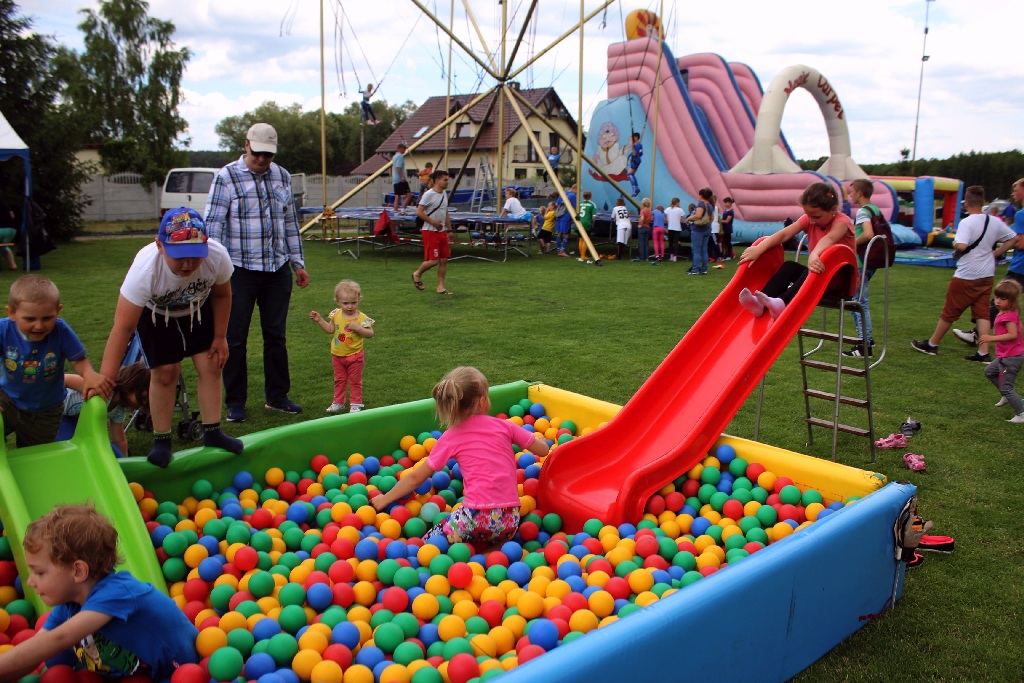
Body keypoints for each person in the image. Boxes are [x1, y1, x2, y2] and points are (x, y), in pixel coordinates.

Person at [97, 208, 243, 467]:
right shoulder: (145, 271)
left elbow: (222, 295)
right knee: (165, 372)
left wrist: (220, 336)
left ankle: (213, 433)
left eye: (194, 257)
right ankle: (161, 442)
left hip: (197, 310)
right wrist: (106, 379)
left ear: (206, 246)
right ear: (160, 246)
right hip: (155, 315)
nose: (188, 265)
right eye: (180, 257)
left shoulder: (217, 257)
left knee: (211, 364)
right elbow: (122, 328)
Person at [0, 504, 198, 682]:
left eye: (40, 572)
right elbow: (39, 646)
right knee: (55, 663)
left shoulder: (118, 591)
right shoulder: (70, 604)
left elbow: (59, 638)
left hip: (175, 672)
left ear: (78, 571)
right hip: (136, 673)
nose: (30, 581)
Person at [370, 367, 549, 548]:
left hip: (474, 517)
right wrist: (540, 440)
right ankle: (491, 553)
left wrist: (385, 498)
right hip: (510, 520)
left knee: (428, 546)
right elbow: (542, 450)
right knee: (495, 553)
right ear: (481, 402)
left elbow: (417, 477)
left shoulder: (451, 436)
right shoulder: (504, 426)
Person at [205, 123, 308, 423]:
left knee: (276, 336)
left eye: (269, 155)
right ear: (246, 145)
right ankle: (235, 402)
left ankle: (277, 397)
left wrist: (297, 263)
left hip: (277, 270)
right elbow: (213, 227)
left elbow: (290, 223)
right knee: (234, 338)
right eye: (258, 153)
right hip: (237, 271)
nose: (263, 160)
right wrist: (215, 271)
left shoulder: (283, 176)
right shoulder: (226, 177)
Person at [1, 275, 109, 448]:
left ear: (57, 310)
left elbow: (79, 359)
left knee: (35, 455)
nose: (39, 326)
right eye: (30, 319)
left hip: (46, 410)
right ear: (12, 313)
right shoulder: (4, 330)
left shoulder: (60, 330)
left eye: (47, 318)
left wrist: (89, 374)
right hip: (8, 400)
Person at [911, 185, 1015, 360]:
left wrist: (955, 246)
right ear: (983, 203)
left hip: (966, 274)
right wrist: (995, 253)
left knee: (949, 311)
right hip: (986, 273)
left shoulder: (966, 222)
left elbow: (961, 245)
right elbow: (1012, 238)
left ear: (965, 203)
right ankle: (983, 352)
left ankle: (932, 344)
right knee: (982, 313)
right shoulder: (994, 221)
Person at [738, 182, 857, 319]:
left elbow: (829, 239)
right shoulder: (810, 219)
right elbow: (784, 234)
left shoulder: (842, 222)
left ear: (833, 209)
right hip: (819, 277)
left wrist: (815, 254)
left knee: (809, 271)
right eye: (808, 215)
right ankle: (760, 304)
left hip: (841, 283)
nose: (811, 221)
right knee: (790, 266)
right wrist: (759, 249)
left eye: (816, 217)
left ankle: (782, 302)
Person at [954, 179, 1024, 347]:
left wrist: (996, 251)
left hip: (1020, 267)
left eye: (1016, 190)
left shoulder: (1021, 214)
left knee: (999, 300)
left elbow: (1020, 242)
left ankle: (978, 335)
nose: (1013, 193)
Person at [58, 362, 150, 458]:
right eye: (142, 397)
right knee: (71, 447)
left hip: (76, 419)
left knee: (114, 454)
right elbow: (65, 379)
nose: (142, 404)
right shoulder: (101, 388)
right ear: (130, 385)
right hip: (57, 415)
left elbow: (120, 441)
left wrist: (124, 462)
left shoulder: (119, 411)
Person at [310, 279, 374, 414]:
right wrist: (319, 320)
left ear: (359, 299)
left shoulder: (362, 318)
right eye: (345, 303)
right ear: (338, 302)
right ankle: (338, 402)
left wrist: (358, 328)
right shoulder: (335, 314)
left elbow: (370, 334)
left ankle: (356, 403)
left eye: (353, 302)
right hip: (337, 355)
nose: (350, 306)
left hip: (355, 356)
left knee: (355, 381)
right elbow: (330, 330)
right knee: (339, 380)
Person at [981, 279, 1024, 423]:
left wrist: (991, 338)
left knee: (1007, 386)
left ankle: (1021, 414)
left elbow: (1013, 335)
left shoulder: (1008, 316)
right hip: (1004, 355)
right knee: (989, 372)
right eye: (997, 297)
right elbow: (1019, 329)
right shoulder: (1006, 312)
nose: (998, 301)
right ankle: (1006, 395)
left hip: (1011, 358)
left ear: (1012, 301)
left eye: (1003, 299)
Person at [845, 179, 879, 357]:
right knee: (859, 300)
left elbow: (868, 234)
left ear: (859, 193)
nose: (850, 195)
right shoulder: (876, 209)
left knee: (858, 302)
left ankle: (864, 344)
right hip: (871, 261)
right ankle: (866, 339)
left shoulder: (863, 212)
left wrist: (850, 245)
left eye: (852, 192)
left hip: (861, 261)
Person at [412, 170, 455, 295]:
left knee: (444, 260)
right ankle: (417, 274)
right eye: (445, 179)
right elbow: (419, 212)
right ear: (437, 180)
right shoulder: (428, 194)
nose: (447, 182)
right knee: (434, 260)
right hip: (430, 231)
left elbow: (445, 212)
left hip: (441, 231)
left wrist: (449, 229)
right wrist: (433, 222)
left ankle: (440, 287)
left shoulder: (444, 194)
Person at [686, 188, 714, 275]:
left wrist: (689, 218)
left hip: (698, 230)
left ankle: (695, 270)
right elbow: (711, 218)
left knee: (696, 251)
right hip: (707, 229)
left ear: (701, 195)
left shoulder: (701, 204)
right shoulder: (710, 205)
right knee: (704, 250)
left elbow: (698, 216)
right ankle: (704, 269)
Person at [554, 185, 577, 257]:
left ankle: (558, 249)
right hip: (566, 216)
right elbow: (574, 206)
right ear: (574, 188)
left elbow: (556, 204)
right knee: (567, 233)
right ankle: (562, 250)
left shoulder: (563, 194)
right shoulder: (573, 196)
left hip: (559, 216)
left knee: (559, 233)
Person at [392, 143, 413, 214]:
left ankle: (395, 211)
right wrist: (402, 176)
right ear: (400, 148)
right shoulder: (400, 156)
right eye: (404, 148)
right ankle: (403, 210)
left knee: (397, 195)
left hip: (395, 179)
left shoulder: (394, 156)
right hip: (400, 179)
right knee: (409, 195)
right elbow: (398, 167)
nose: (405, 150)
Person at [577, 190, 597, 262]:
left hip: (579, 222)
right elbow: (594, 216)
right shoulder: (592, 204)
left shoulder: (580, 203)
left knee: (580, 239)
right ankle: (583, 256)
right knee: (586, 239)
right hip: (587, 223)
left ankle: (581, 255)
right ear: (590, 196)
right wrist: (593, 223)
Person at [664, 197, 686, 263]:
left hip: (670, 228)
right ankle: (675, 257)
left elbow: (666, 219)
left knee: (670, 242)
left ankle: (671, 256)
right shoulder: (680, 210)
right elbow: (681, 220)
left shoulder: (668, 209)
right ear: (677, 202)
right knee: (676, 242)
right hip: (677, 228)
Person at [0, 199, 18, 271]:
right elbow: (12, 216)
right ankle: (13, 265)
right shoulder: (4, 203)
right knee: (4, 246)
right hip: (11, 230)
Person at [634, 197, 653, 263]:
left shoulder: (642, 210)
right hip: (648, 227)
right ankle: (647, 257)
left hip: (642, 227)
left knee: (641, 243)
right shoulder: (650, 211)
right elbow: (651, 219)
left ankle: (642, 258)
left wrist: (640, 225)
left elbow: (642, 218)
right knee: (646, 243)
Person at [612, 197, 631, 261]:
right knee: (624, 242)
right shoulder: (625, 208)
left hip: (621, 225)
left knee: (620, 242)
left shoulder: (615, 208)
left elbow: (613, 217)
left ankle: (618, 256)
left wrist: (615, 219)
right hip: (628, 225)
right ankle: (619, 254)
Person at [708, 195, 723, 263]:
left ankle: (719, 256)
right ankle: (711, 256)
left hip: (713, 227)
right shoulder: (714, 207)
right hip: (713, 227)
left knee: (714, 242)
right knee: (711, 243)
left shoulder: (712, 207)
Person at [627, 132, 642, 197]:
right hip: (636, 160)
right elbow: (641, 153)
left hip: (635, 160)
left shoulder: (637, 145)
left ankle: (635, 188)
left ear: (636, 137)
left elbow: (635, 153)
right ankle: (636, 188)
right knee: (631, 174)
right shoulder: (639, 145)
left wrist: (633, 147)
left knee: (629, 174)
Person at [719, 197, 735, 261]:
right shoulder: (726, 210)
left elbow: (727, 221)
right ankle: (726, 254)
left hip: (728, 229)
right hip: (724, 228)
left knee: (728, 242)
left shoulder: (731, 212)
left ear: (729, 203)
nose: (724, 204)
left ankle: (729, 255)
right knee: (724, 242)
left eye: (726, 202)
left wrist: (720, 220)